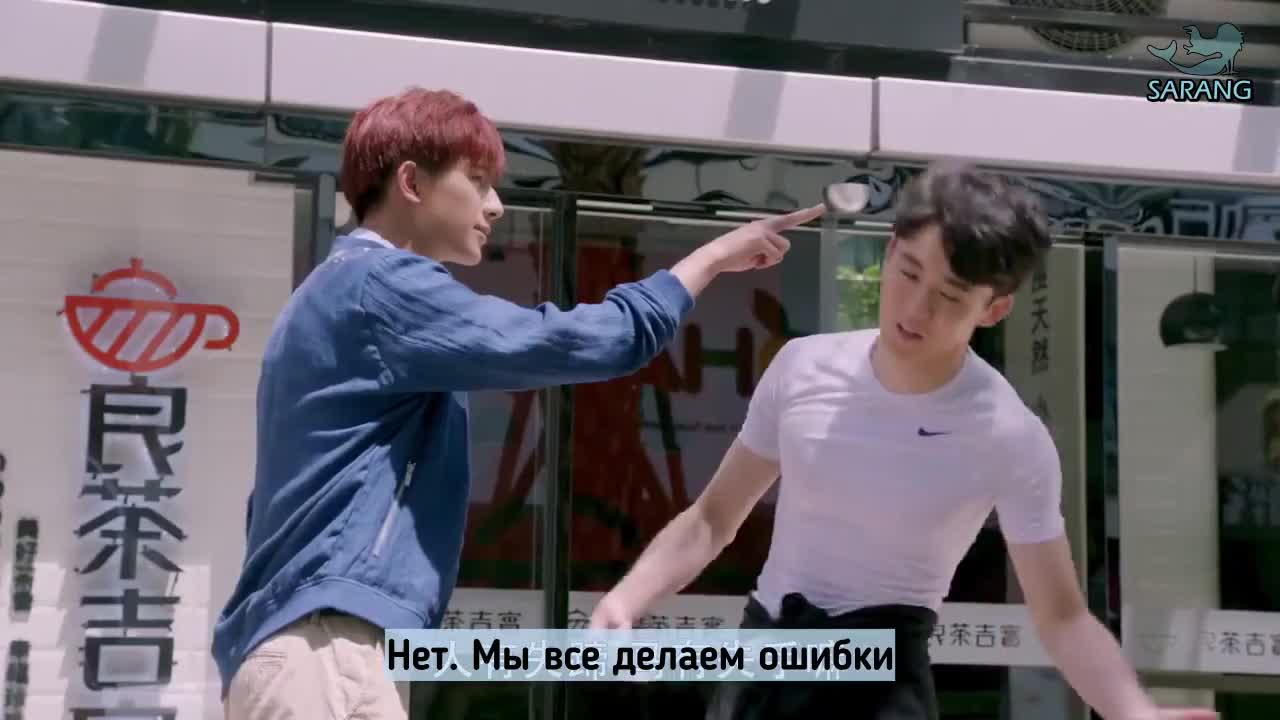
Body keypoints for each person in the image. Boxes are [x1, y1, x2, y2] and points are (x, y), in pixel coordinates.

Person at [211, 86, 825, 720]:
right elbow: (586, 340)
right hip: (325, 647)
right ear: (412, 183)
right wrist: (712, 258)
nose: (496, 205)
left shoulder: (339, 289)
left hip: (320, 643)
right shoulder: (381, 287)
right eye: (477, 181)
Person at [589, 163, 1218, 720]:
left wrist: (1136, 712)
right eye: (908, 272)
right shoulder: (802, 367)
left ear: (994, 310)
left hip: (885, 686)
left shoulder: (1007, 433)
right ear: (890, 251)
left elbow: (1062, 615)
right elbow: (713, 518)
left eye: (949, 297)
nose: (915, 310)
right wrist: (626, 600)